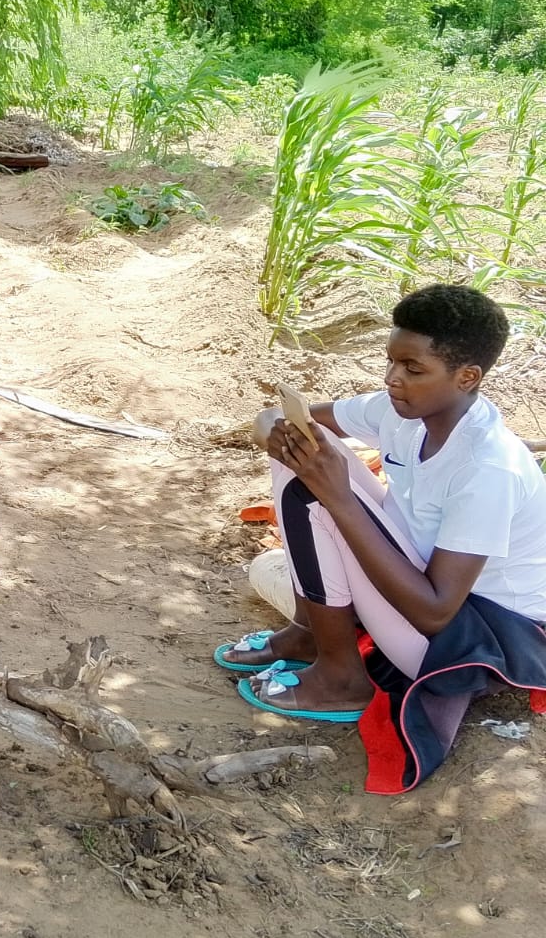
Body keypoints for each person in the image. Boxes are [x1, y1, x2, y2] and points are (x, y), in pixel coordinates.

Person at [218, 284, 546, 727]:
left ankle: (340, 680)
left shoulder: (489, 468)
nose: (393, 378)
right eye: (391, 361)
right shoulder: (402, 411)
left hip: (474, 636)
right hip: (414, 583)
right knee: (306, 445)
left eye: (412, 368)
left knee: (315, 489)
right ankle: (309, 632)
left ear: (467, 378)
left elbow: (435, 612)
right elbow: (275, 418)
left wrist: (338, 498)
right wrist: (272, 433)